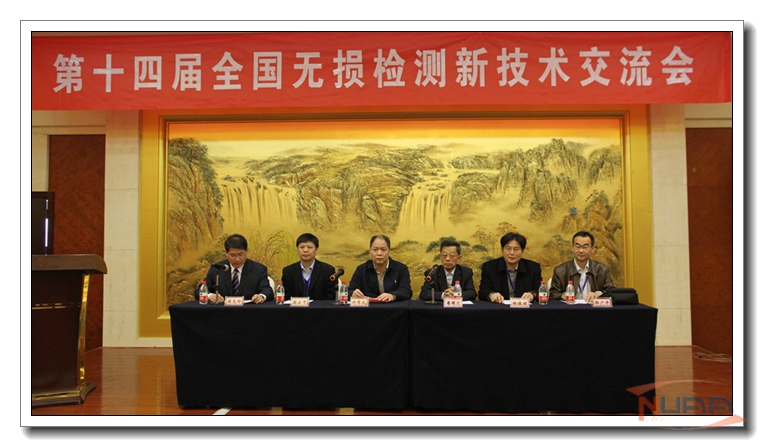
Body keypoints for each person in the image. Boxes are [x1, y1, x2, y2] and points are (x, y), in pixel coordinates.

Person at [195, 234, 273, 303]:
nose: (237, 259)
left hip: (248, 311)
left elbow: (267, 291)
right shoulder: (217, 269)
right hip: (222, 311)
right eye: (232, 255)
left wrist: (261, 296)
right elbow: (199, 291)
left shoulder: (258, 269)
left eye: (240, 255)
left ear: (246, 251)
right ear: (226, 253)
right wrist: (210, 295)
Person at [550, 230, 614, 303]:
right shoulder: (560, 271)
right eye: (578, 246)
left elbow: (611, 291)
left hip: (593, 307)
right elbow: (552, 294)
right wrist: (563, 295)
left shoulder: (602, 269)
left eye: (585, 247)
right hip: (570, 308)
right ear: (572, 248)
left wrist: (599, 293)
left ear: (593, 249)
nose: (581, 251)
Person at [478, 232, 542, 303]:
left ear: (522, 251)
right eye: (508, 249)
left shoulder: (533, 268)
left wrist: (533, 294)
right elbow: (483, 292)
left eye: (516, 249)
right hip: (499, 307)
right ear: (502, 250)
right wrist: (491, 295)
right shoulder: (489, 267)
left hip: (524, 308)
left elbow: (540, 290)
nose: (512, 253)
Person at [348, 234, 412, 302]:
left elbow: (406, 291)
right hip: (369, 307)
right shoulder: (361, 269)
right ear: (370, 251)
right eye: (375, 249)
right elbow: (349, 291)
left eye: (383, 249)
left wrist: (392, 295)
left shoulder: (401, 269)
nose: (379, 253)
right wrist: (353, 293)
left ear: (389, 251)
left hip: (393, 307)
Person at [280, 233, 337, 301]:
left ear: (316, 250)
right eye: (302, 247)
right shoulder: (288, 271)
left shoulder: (328, 270)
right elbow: (285, 297)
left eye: (309, 247)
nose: (305, 250)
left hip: (319, 307)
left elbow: (330, 297)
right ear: (297, 250)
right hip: (295, 307)